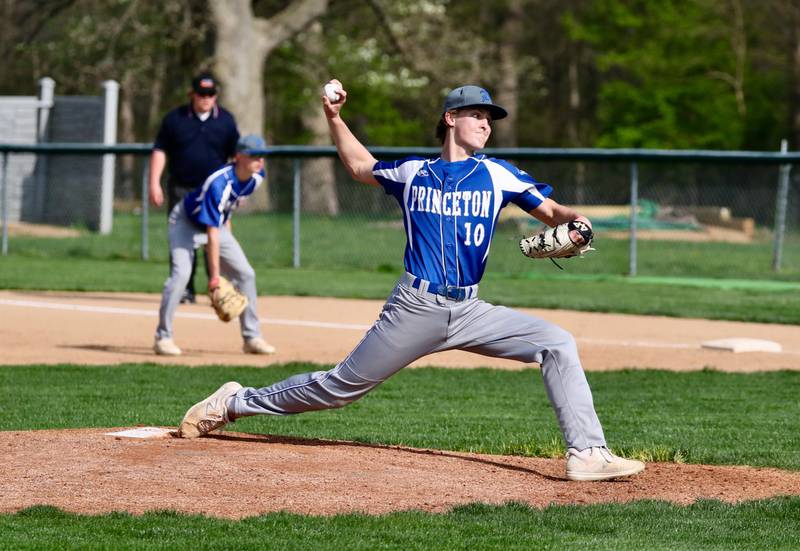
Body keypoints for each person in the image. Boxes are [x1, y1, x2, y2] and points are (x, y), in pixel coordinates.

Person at [177, 80, 645, 482]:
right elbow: (360, 167)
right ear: (450, 118)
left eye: (490, 117)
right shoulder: (413, 173)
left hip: (470, 310)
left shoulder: (499, 175)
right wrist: (334, 118)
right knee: (339, 388)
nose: (486, 123)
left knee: (557, 342)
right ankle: (234, 402)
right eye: (477, 114)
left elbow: (551, 210)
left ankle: (587, 454)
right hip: (414, 308)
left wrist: (577, 221)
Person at [153, 134, 276, 357]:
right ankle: (163, 337)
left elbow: (226, 210)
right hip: (185, 223)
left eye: (263, 156)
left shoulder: (257, 177)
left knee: (246, 274)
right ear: (239, 157)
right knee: (181, 275)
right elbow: (211, 232)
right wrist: (216, 278)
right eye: (254, 156)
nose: (260, 161)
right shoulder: (219, 183)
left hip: (216, 226)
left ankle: (251, 337)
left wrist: (229, 252)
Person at [149, 72, 240, 304]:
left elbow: (236, 157)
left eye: (210, 94)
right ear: (193, 94)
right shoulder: (175, 119)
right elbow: (160, 150)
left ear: (215, 95)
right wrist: (154, 182)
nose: (206, 98)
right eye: (202, 94)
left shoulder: (226, 121)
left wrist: (236, 189)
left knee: (218, 240)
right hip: (182, 188)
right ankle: (185, 290)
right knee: (182, 241)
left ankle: (219, 289)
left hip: (216, 192)